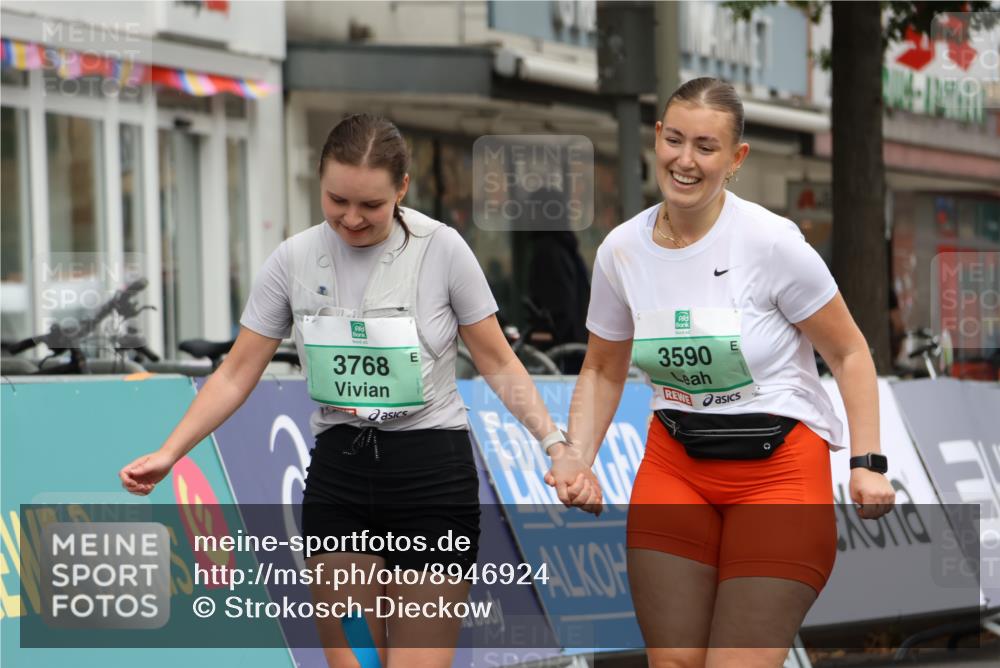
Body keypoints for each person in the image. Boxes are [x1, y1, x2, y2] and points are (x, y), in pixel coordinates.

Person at [120, 114, 595, 668]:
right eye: (336, 200)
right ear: (320, 183)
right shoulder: (293, 259)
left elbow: (498, 361)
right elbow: (235, 372)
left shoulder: (442, 250)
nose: (351, 218)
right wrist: (170, 452)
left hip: (431, 480)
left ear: (402, 189)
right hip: (341, 479)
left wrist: (556, 446)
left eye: (370, 206)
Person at [548, 78, 896, 666]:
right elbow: (605, 368)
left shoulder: (771, 243)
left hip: (779, 472)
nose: (685, 161)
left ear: (736, 159)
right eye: (675, 140)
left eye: (706, 148)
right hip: (675, 465)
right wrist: (577, 455)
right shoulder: (621, 251)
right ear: (656, 138)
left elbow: (850, 353)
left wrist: (867, 463)